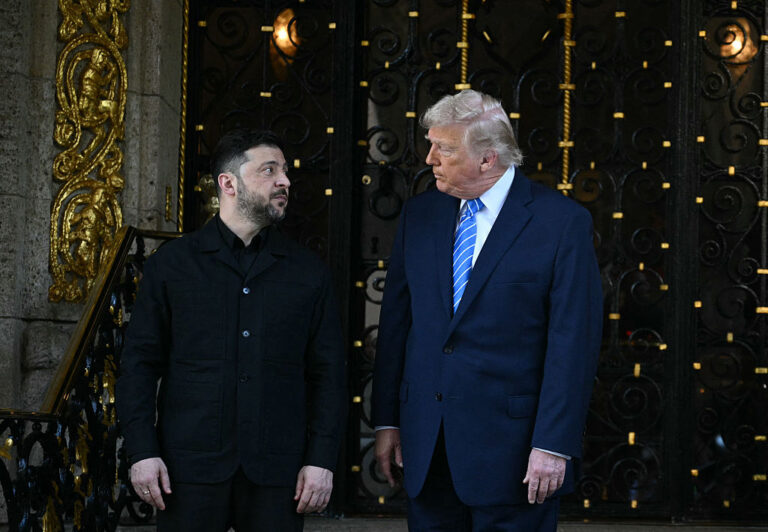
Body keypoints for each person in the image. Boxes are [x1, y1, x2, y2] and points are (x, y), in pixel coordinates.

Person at [373, 90, 602, 531]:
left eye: (444, 149)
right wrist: (386, 421)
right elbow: (397, 325)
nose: (430, 158)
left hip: (515, 455)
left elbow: (572, 343)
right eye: (431, 145)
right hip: (427, 448)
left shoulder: (560, 223)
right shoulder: (419, 215)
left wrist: (553, 444)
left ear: (487, 159)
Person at [117, 129, 347, 531]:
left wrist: (321, 459)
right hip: (186, 469)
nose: (284, 181)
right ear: (228, 183)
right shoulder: (171, 265)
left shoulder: (309, 272)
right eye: (269, 170)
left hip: (278, 471)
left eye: (285, 171)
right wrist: (141, 451)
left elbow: (329, 374)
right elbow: (139, 365)